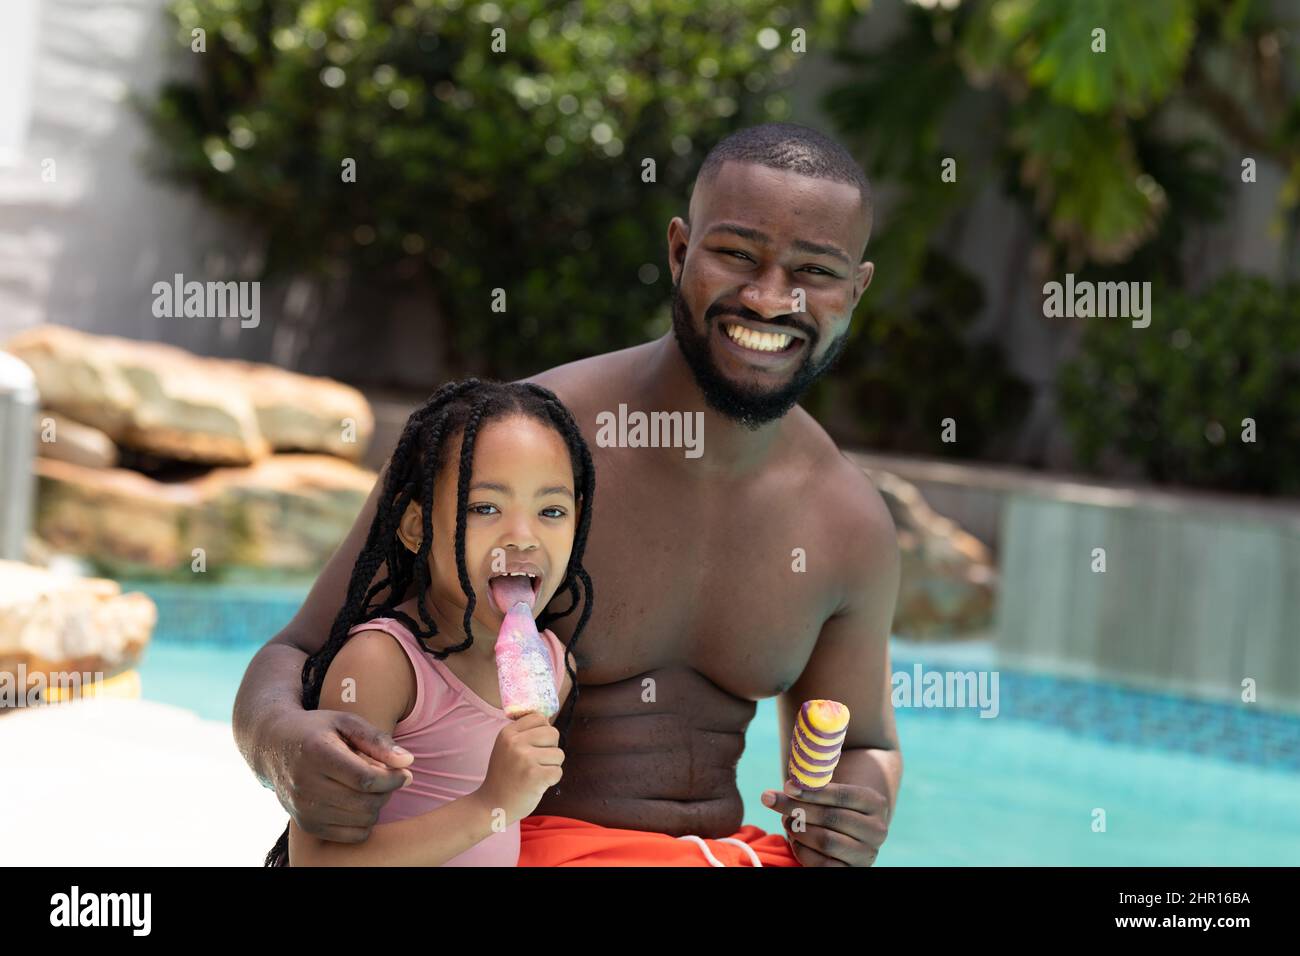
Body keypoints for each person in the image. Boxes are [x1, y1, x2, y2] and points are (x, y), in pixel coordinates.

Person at [235, 122, 902, 866]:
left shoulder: (849, 523)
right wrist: (281, 745)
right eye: (738, 254)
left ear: (856, 289)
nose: (771, 299)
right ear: (680, 251)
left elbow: (866, 741)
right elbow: (298, 650)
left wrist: (853, 813)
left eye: (814, 270)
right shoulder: (511, 450)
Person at [266, 380, 594, 865]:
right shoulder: (382, 664)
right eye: (485, 508)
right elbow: (320, 860)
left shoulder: (553, 666)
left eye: (551, 511)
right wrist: (492, 804)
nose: (522, 537)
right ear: (418, 527)